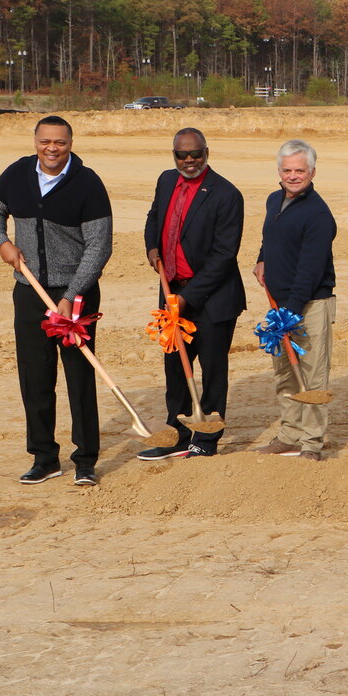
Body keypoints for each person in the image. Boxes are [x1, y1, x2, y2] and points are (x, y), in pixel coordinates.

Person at [0, 116, 112, 485]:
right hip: (30, 291)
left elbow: (100, 246)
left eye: (60, 142)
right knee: (35, 377)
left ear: (70, 143)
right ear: (35, 141)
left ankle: (85, 459)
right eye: (45, 141)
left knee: (79, 375)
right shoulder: (17, 174)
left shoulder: (87, 183)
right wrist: (2, 242)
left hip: (76, 294)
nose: (52, 148)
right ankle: (44, 457)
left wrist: (72, 295)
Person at [138, 127, 246, 459]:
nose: (188, 160)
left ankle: (206, 440)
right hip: (172, 294)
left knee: (212, 372)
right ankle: (178, 435)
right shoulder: (166, 181)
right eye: (181, 155)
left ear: (206, 152)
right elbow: (154, 217)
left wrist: (188, 298)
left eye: (195, 154)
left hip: (212, 300)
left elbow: (223, 256)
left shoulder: (227, 194)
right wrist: (152, 249)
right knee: (175, 370)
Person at [253, 139, 337, 460]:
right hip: (280, 304)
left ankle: (312, 443)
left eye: (299, 170)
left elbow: (310, 271)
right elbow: (269, 239)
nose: (292, 176)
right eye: (287, 170)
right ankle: (289, 434)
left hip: (310, 304)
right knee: (285, 372)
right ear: (279, 171)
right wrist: (262, 260)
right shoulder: (274, 200)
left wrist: (289, 314)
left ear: (312, 172)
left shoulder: (318, 214)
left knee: (312, 375)